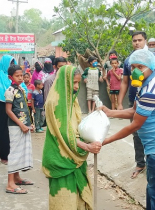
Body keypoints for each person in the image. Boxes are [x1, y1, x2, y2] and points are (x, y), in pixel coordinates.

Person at [99, 49, 155, 210]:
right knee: (153, 190)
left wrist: (104, 141)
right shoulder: (145, 83)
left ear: (151, 66)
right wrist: (110, 112)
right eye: (133, 67)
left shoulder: (151, 91)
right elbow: (134, 110)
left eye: (140, 67)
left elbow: (134, 125)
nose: (136, 71)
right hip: (154, 147)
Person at [42, 65, 102, 209]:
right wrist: (87, 146)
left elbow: (77, 127)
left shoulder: (72, 101)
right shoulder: (54, 103)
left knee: (79, 199)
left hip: (75, 156)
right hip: (60, 158)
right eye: (73, 83)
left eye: (78, 83)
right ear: (64, 82)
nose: (76, 87)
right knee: (64, 200)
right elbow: (64, 134)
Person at [117, 31, 155, 179]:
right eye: (134, 41)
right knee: (137, 134)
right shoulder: (129, 60)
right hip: (135, 101)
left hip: (152, 102)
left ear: (145, 41)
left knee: (153, 131)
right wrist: (119, 103)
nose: (137, 43)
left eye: (139, 40)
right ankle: (140, 163)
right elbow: (125, 82)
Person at [0, 55, 27, 165]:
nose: (11, 65)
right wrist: (12, 93)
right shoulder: (0, 75)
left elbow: (24, 88)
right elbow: (1, 92)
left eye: (13, 62)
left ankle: (14, 154)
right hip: (2, 106)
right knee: (3, 131)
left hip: (15, 106)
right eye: (9, 63)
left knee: (15, 130)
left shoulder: (17, 75)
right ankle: (4, 156)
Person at [5, 64, 34, 194]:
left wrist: (29, 123)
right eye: (17, 76)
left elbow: (25, 109)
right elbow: (9, 111)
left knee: (20, 151)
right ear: (10, 77)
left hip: (23, 125)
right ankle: (10, 184)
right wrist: (21, 125)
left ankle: (16, 177)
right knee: (15, 153)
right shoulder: (10, 91)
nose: (21, 78)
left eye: (21, 75)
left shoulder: (21, 89)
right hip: (16, 126)